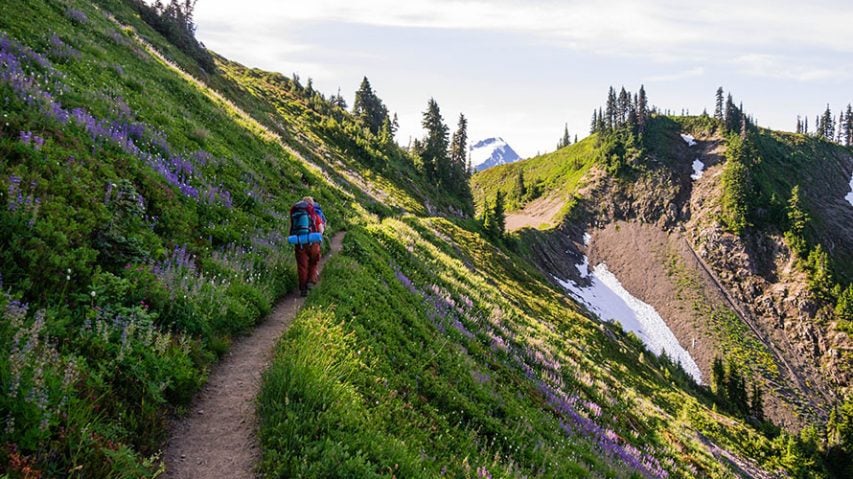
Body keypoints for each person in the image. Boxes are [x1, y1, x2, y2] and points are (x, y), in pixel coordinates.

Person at [290, 196, 326, 297]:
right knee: (313, 263)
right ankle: (311, 281)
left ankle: (303, 288)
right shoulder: (314, 214)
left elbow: (293, 228)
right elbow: (321, 230)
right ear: (311, 204)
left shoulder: (297, 213)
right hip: (313, 243)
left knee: (302, 266)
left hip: (300, 243)